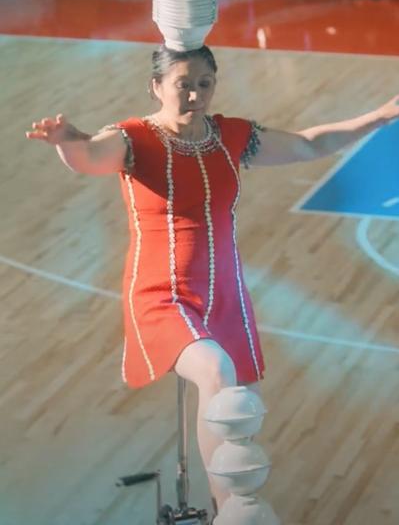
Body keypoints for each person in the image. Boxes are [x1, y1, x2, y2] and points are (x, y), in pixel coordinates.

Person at [26, 44, 399, 515]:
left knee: (239, 406)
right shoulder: (131, 138)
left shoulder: (231, 136)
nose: (195, 95)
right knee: (217, 371)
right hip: (162, 296)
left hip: (225, 296)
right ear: (156, 86)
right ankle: (230, 511)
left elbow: (309, 143)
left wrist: (383, 115)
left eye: (204, 84)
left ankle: (227, 507)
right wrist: (68, 140)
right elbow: (90, 157)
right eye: (183, 84)